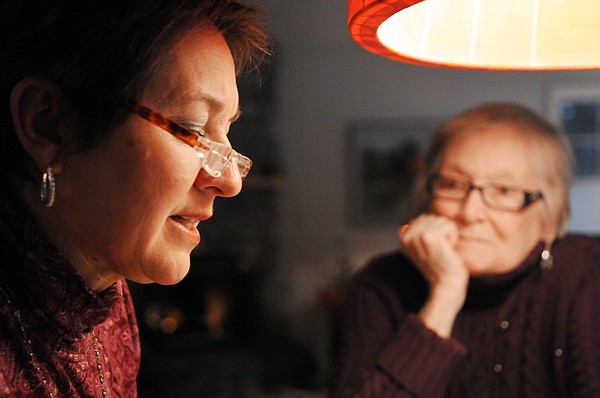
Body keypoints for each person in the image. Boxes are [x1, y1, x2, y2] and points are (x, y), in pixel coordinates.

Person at [0, 0, 270, 396]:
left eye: (226, 131)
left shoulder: (106, 294)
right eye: (191, 127)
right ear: (49, 126)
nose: (230, 181)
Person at [331, 103, 600, 397]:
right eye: (453, 184)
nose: (470, 212)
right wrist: (445, 294)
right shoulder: (381, 285)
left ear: (551, 217)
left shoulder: (587, 277)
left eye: (504, 191)